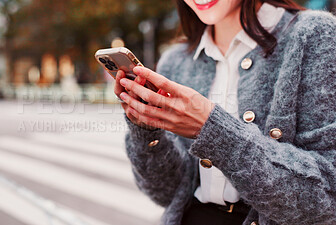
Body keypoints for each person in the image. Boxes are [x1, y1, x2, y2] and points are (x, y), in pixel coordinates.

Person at [113, 0, 336, 224]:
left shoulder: (314, 35)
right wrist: (146, 128)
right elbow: (166, 194)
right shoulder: (176, 60)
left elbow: (327, 199)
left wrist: (212, 129)